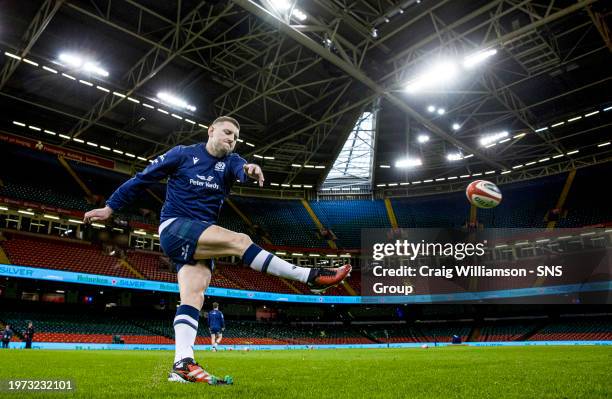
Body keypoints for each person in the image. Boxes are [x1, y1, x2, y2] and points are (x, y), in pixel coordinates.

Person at [83, 116, 351, 385]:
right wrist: (110, 207)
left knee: (193, 298)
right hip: (175, 228)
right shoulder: (182, 154)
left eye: (235, 137)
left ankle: (182, 365)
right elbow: (142, 180)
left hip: (200, 240)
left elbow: (243, 167)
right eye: (227, 132)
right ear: (211, 131)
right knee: (241, 241)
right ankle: (309, 277)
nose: (231, 139)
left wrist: (251, 169)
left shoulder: (232, 161)